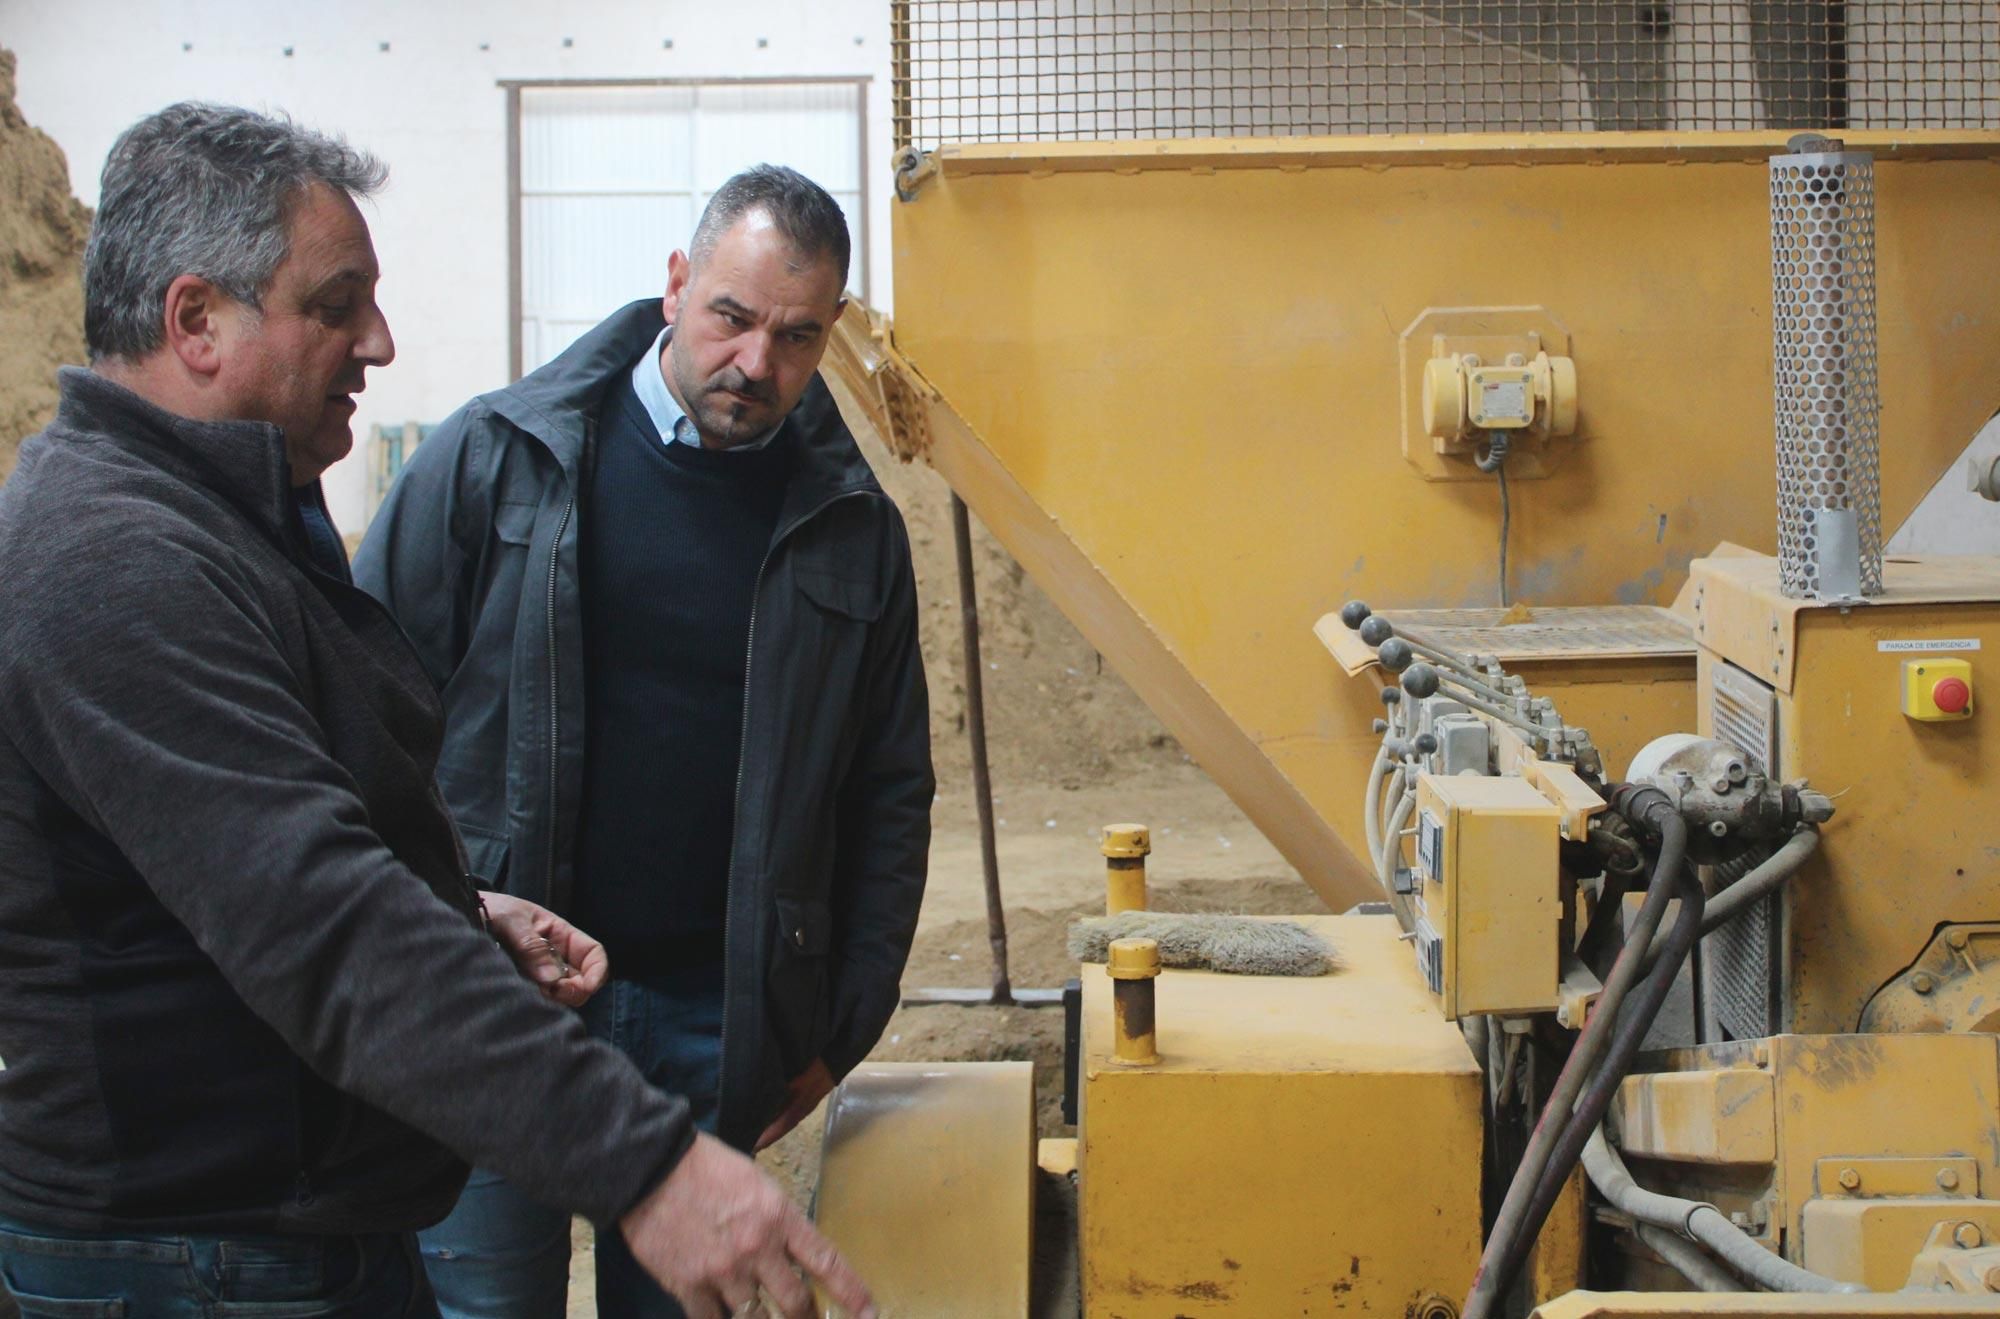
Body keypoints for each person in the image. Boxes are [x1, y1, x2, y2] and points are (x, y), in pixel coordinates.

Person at [0, 104, 871, 1319]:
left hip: (298, 1218)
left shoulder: (229, 523)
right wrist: (649, 1161)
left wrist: (454, 906)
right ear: (196, 319)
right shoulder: (112, 562)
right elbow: (321, 918)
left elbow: (265, 845)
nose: (381, 343)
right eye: (334, 303)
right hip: (192, 1248)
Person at [354, 164, 933, 1316]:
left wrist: (838, 1023)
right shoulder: (495, 458)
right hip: (500, 1002)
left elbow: (889, 790)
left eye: (798, 336)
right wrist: (419, 949)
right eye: (732, 316)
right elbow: (359, 714)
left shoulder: (853, 531)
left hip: (711, 1020)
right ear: (675, 285)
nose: (756, 363)